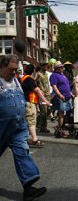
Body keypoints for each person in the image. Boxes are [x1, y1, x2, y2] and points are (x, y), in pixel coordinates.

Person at [0, 55, 47, 200]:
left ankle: (28, 187)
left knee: (22, 152)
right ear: (1, 67)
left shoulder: (17, 81)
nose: (15, 72)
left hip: (18, 126)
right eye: (11, 69)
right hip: (2, 127)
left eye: (16, 70)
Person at [21, 64, 52, 148]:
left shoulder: (23, 78)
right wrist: (46, 101)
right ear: (33, 71)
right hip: (30, 103)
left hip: (27, 102)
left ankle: (21, 139)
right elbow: (37, 90)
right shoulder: (29, 79)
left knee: (26, 121)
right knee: (31, 121)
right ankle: (34, 140)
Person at [50, 61, 73, 138]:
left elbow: (66, 85)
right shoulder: (54, 75)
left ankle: (59, 128)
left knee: (64, 114)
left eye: (62, 67)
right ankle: (60, 131)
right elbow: (54, 86)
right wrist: (59, 94)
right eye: (60, 67)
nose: (62, 68)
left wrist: (71, 93)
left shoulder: (62, 75)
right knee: (61, 114)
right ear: (57, 68)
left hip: (67, 96)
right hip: (61, 97)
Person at [35, 62, 51, 133]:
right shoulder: (38, 73)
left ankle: (38, 123)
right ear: (41, 66)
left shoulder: (46, 73)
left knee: (48, 111)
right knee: (44, 111)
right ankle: (43, 127)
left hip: (48, 94)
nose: (45, 66)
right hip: (42, 95)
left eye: (46, 65)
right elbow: (34, 81)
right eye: (44, 65)